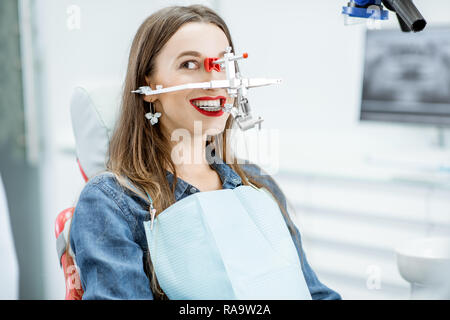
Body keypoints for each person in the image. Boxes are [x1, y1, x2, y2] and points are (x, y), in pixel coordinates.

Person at [69, 4, 341, 300]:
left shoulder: (257, 183)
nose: (214, 84)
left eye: (225, 64)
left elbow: (314, 293)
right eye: (189, 64)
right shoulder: (111, 201)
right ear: (148, 85)